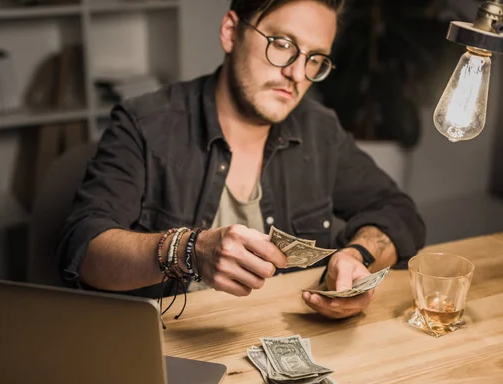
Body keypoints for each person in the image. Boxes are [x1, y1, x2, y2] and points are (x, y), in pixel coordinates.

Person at [57, 0, 426, 320]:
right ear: (231, 32)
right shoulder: (144, 124)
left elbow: (398, 211)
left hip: (283, 343)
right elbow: (83, 250)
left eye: (315, 58)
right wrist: (188, 250)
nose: (297, 75)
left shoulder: (320, 130)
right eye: (282, 44)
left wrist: (356, 256)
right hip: (167, 353)